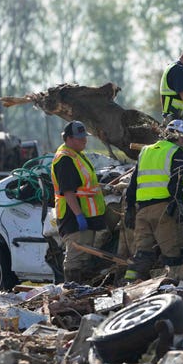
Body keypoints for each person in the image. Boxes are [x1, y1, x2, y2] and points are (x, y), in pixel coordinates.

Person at [123, 119, 183, 283]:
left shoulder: (146, 151)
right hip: (163, 210)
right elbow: (177, 181)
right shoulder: (176, 152)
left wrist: (130, 207)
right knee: (172, 254)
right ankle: (173, 288)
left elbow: (133, 182)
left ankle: (128, 286)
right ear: (180, 136)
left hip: (142, 211)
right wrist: (179, 204)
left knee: (142, 254)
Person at [50, 121, 106, 284]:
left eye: (84, 137)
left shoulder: (76, 155)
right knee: (75, 256)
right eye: (79, 138)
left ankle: (82, 290)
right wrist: (79, 215)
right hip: (73, 216)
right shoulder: (65, 159)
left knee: (84, 256)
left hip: (85, 215)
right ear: (68, 138)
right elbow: (68, 191)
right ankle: (72, 290)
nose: (84, 141)